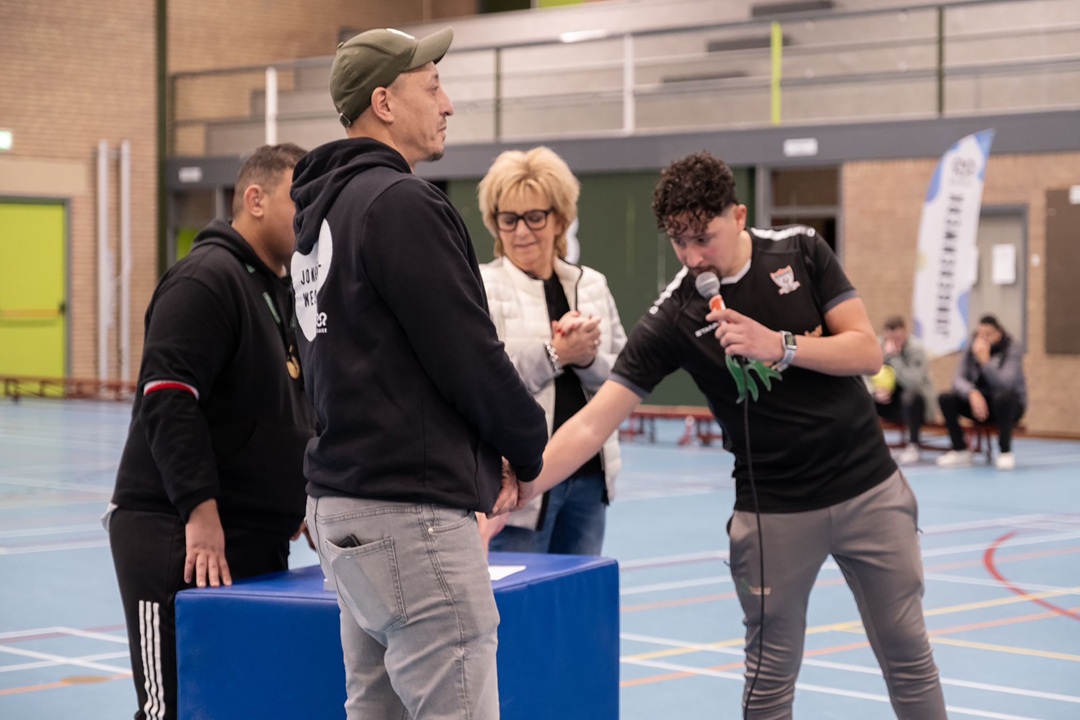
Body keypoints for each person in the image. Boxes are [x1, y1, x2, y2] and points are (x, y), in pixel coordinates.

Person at [517, 152, 946, 719]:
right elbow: (596, 420)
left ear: (739, 216)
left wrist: (781, 345)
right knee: (768, 685)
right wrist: (520, 484)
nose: (694, 257)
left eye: (704, 237)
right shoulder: (676, 314)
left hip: (870, 494)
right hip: (773, 515)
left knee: (909, 658)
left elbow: (866, 352)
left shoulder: (801, 251)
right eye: (678, 241)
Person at [289, 27, 548, 720]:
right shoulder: (398, 204)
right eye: (432, 88)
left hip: (344, 510)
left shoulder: (319, 223)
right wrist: (525, 445)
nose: (449, 104)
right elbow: (465, 351)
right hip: (409, 515)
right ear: (384, 102)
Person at [107, 143, 315, 720]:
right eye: (301, 202)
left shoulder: (279, 291)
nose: (312, 218)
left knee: (237, 702)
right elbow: (168, 399)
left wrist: (302, 496)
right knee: (172, 706)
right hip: (178, 535)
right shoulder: (205, 279)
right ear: (254, 199)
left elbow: (284, 407)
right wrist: (200, 512)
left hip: (252, 539)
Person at [476, 146, 627, 555]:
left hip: (589, 478)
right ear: (496, 223)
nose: (522, 231)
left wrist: (588, 357)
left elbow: (624, 374)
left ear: (559, 219)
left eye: (534, 217)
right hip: (521, 481)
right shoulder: (484, 287)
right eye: (509, 219)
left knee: (578, 600)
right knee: (520, 607)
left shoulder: (592, 284)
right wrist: (556, 354)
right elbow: (483, 381)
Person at [936, 314, 1027, 470]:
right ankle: (960, 449)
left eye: (988, 334)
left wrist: (985, 362)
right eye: (980, 334)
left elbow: (1006, 384)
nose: (982, 339)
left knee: (1003, 398)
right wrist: (972, 392)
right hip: (978, 405)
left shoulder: (1012, 350)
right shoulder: (971, 349)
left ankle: (1005, 451)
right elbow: (957, 380)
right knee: (946, 398)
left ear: (998, 335)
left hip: (1007, 406)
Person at [872, 315, 936, 464]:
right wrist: (875, 392)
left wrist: (894, 357)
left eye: (898, 339)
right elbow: (865, 375)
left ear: (905, 333)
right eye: (891, 339)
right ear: (884, 334)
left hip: (915, 405)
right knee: (863, 398)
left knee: (910, 397)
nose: (894, 343)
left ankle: (914, 445)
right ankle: (872, 446)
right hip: (888, 401)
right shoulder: (877, 345)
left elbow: (912, 382)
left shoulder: (917, 348)